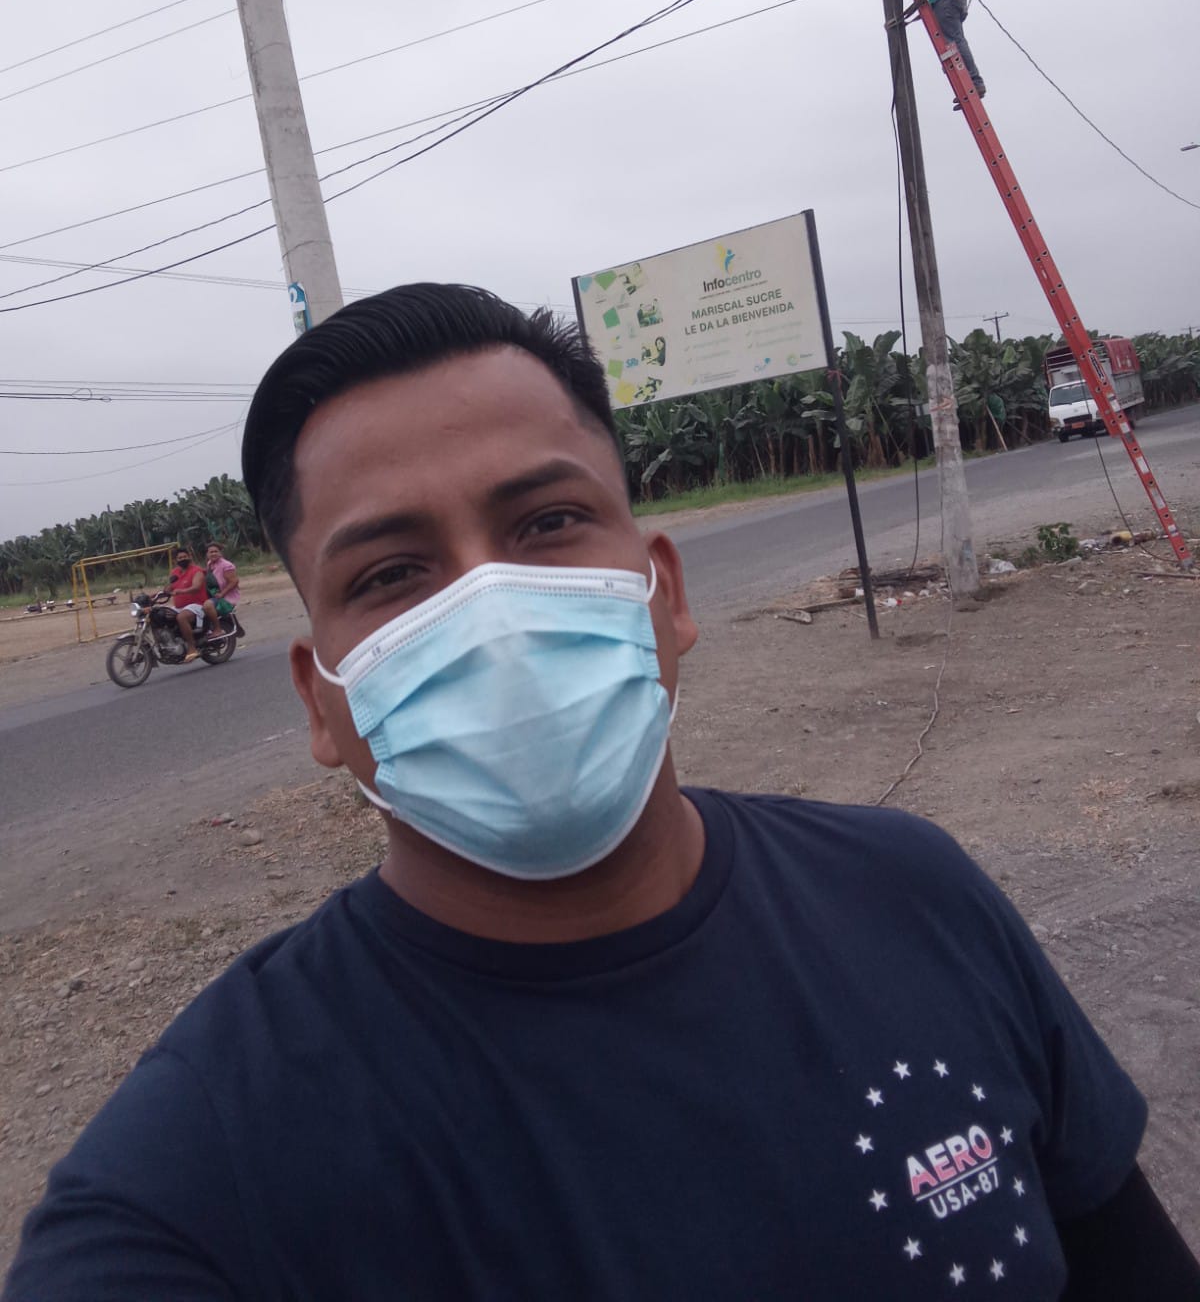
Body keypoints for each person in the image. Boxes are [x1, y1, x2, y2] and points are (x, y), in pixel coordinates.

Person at [6, 284, 1198, 1301]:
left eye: (548, 521)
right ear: (323, 702)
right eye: (393, 573)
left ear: (664, 594)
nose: (492, 613)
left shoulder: (917, 895)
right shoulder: (206, 1168)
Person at [163, 547, 219, 662]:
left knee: (181, 617)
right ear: (175, 560)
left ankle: (192, 647)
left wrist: (181, 591)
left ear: (189, 557)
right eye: (180, 558)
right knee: (162, 615)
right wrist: (154, 595)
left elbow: (196, 587)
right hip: (180, 607)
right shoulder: (175, 573)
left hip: (197, 604)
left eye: (185, 557)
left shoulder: (196, 571)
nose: (182, 559)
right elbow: (169, 587)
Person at [205, 541, 246, 639]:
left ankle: (218, 629)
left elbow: (234, 581)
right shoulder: (209, 564)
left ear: (220, 553)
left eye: (216, 551)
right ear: (207, 554)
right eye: (211, 552)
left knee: (208, 605)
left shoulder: (226, 565)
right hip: (215, 593)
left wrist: (222, 594)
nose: (213, 554)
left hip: (226, 596)